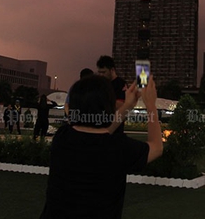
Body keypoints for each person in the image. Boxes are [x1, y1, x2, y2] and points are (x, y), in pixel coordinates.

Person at [40, 74, 163, 218]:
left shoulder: (62, 137)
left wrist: (128, 106)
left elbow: (101, 133)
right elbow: (156, 147)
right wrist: (151, 106)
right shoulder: (119, 147)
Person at [96, 56, 127, 134]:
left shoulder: (120, 84)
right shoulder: (100, 84)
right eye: (99, 72)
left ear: (112, 70)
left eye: (103, 72)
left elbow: (121, 105)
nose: (101, 75)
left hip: (115, 126)